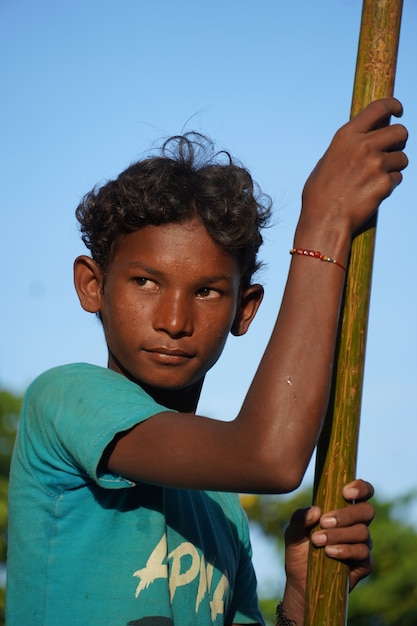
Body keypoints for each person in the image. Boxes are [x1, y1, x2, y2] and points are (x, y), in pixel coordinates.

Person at [7, 98, 407, 626]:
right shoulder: (63, 400)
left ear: (245, 309)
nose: (174, 320)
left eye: (208, 292)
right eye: (145, 282)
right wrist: (324, 226)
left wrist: (303, 598)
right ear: (92, 285)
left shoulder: (219, 506)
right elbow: (272, 457)